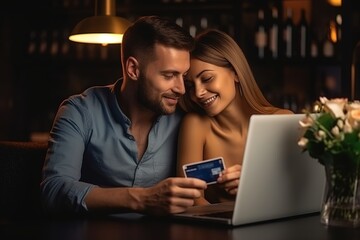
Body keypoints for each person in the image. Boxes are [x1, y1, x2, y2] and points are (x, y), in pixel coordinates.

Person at [40, 15, 207, 216]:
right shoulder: (79, 110)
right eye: (169, 75)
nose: (181, 88)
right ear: (133, 69)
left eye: (184, 76)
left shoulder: (188, 115)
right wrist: (142, 199)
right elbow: (53, 189)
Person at [177, 29, 293, 205]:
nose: (198, 93)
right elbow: (190, 197)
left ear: (236, 73)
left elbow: (294, 192)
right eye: (191, 85)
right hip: (213, 230)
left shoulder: (283, 122)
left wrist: (254, 186)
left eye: (207, 78)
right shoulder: (196, 125)